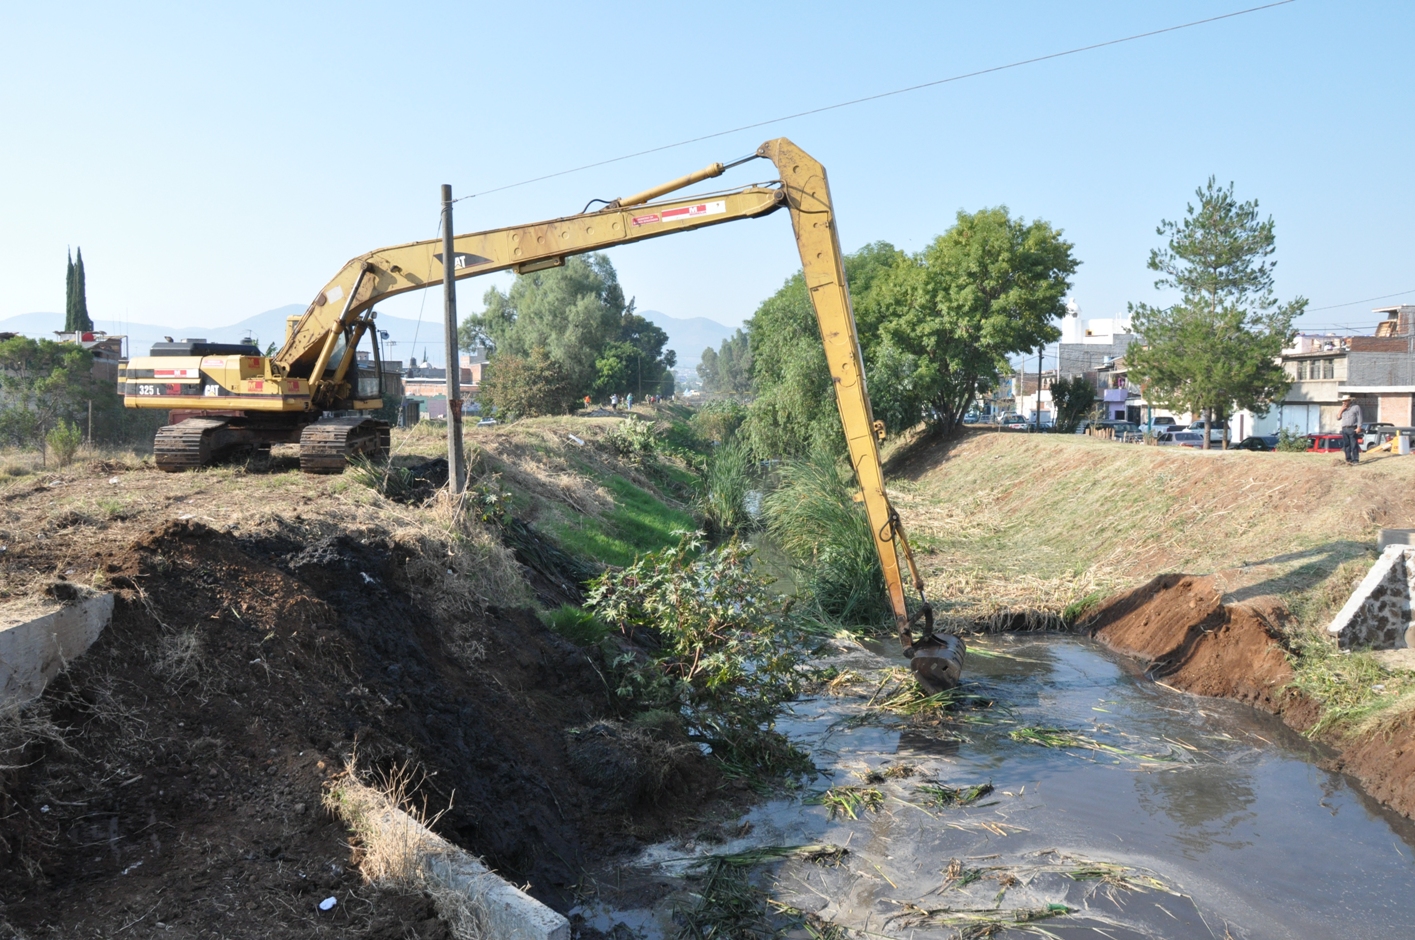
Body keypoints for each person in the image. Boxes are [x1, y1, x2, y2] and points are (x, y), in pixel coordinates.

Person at [1338, 395, 1363, 465]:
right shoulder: (1343, 408)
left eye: (1345, 401)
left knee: (1354, 445)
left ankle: (1355, 460)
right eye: (1343, 401)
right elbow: (1338, 418)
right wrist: (1341, 410)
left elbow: (1360, 417)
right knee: (1346, 445)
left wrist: (1359, 427)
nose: (1344, 402)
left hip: (1352, 428)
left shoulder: (1356, 407)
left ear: (1349, 401)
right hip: (1344, 429)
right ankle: (1348, 459)